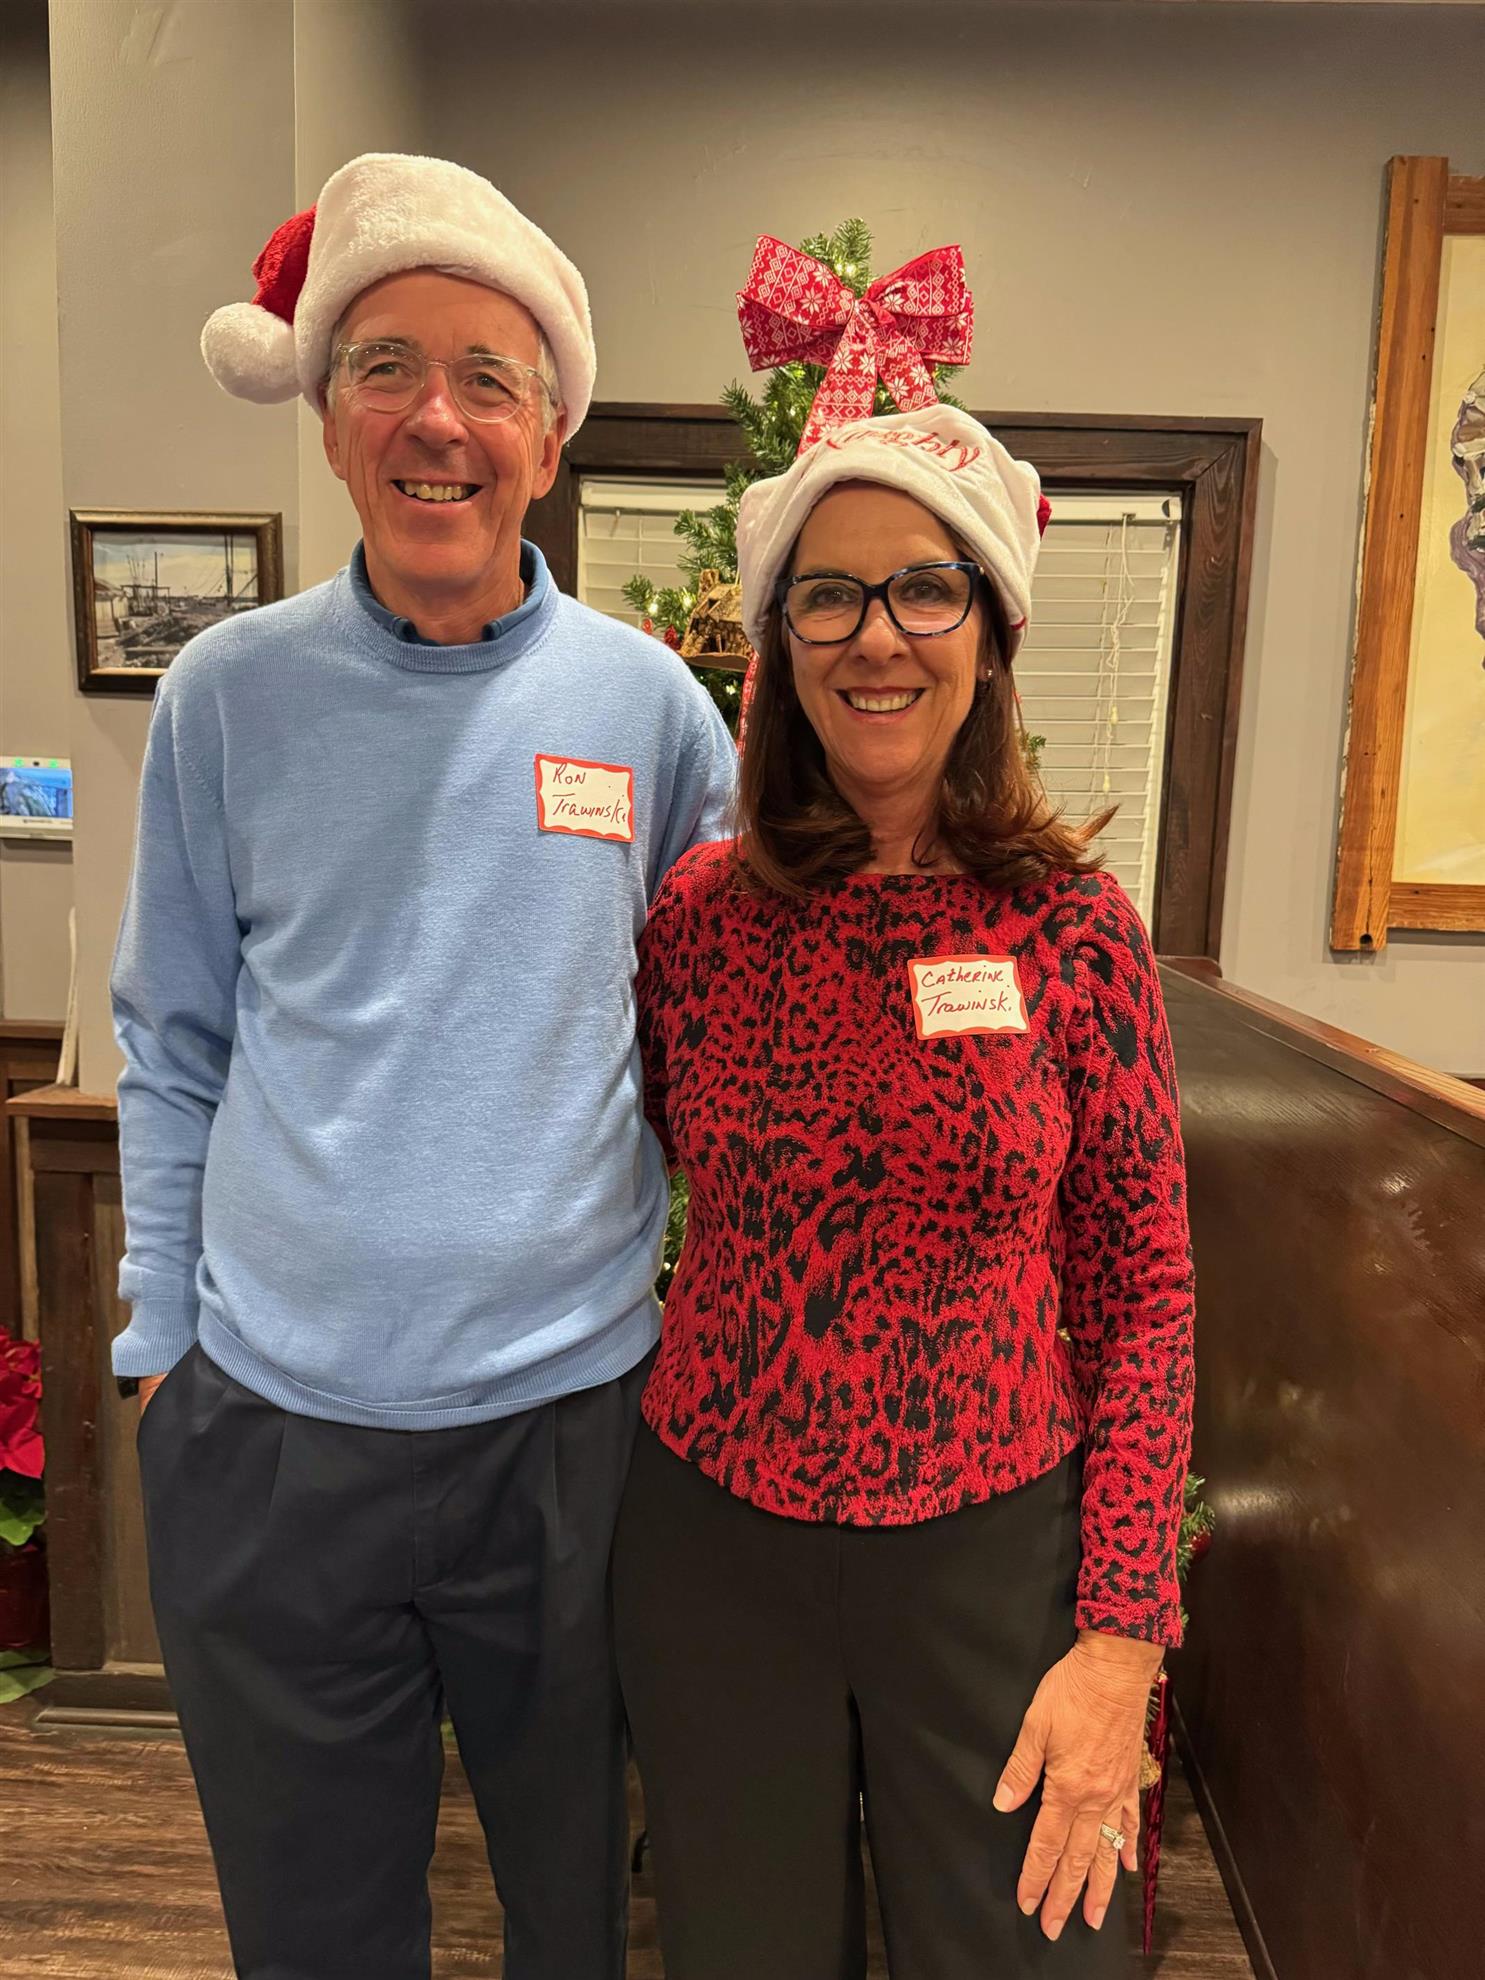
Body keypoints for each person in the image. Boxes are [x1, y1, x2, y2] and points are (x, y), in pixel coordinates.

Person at [111, 152, 736, 1980]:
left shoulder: (649, 711)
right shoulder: (227, 695)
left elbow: (718, 1037)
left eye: (487, 378)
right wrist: (159, 1346)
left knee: (572, 1918)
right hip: (271, 1430)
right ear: (326, 419)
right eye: (385, 367)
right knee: (313, 1932)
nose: (436, 419)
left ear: (549, 434)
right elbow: (172, 1038)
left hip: (571, 1434)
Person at [614, 379, 1196, 1977]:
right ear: (780, 642)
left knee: (1032, 1952)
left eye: (924, 589)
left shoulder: (1074, 932)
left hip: (993, 1556)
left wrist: (1122, 1638)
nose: (877, 637)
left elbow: (1145, 1295)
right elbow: (632, 1162)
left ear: (989, 633)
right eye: (830, 595)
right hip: (713, 1543)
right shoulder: (698, 922)